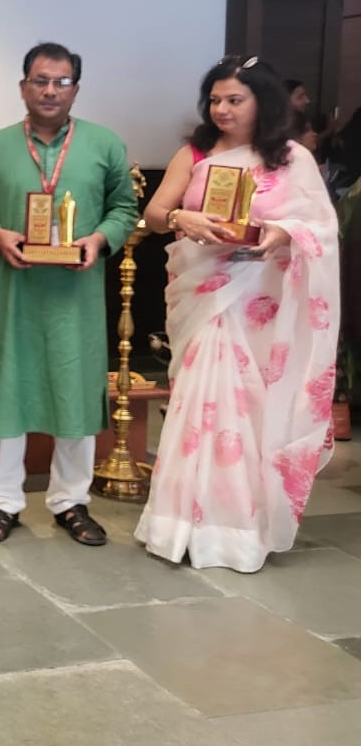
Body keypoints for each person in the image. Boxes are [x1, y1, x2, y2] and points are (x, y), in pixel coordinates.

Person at [134, 55, 340, 572]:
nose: (221, 109)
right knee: (199, 403)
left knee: (248, 409)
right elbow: (155, 214)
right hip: (205, 294)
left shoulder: (291, 157)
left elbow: (321, 226)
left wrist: (282, 232)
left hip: (260, 301)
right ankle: (176, 524)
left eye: (234, 100)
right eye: (214, 100)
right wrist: (182, 216)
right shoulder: (196, 151)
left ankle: (236, 531)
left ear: (261, 102)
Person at [0, 42, 139, 546]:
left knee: (75, 394)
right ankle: (2, 502)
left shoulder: (104, 144)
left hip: (75, 298)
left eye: (61, 82)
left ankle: (70, 502)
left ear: (76, 90)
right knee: (8, 393)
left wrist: (99, 239)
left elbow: (124, 208)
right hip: (13, 296)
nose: (50, 91)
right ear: (23, 86)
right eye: (40, 80)